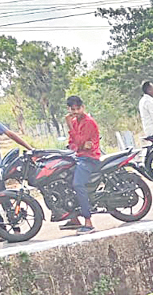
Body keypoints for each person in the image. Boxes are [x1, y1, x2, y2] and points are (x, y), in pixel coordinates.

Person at [63, 95, 102, 234]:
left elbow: (80, 141)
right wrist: (75, 146)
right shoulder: (75, 121)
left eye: (78, 108)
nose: (75, 111)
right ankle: (74, 218)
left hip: (90, 158)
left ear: (83, 107)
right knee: (64, 179)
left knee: (78, 184)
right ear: (69, 109)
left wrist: (70, 127)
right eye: (72, 109)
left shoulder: (88, 122)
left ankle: (88, 222)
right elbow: (73, 142)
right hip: (79, 156)